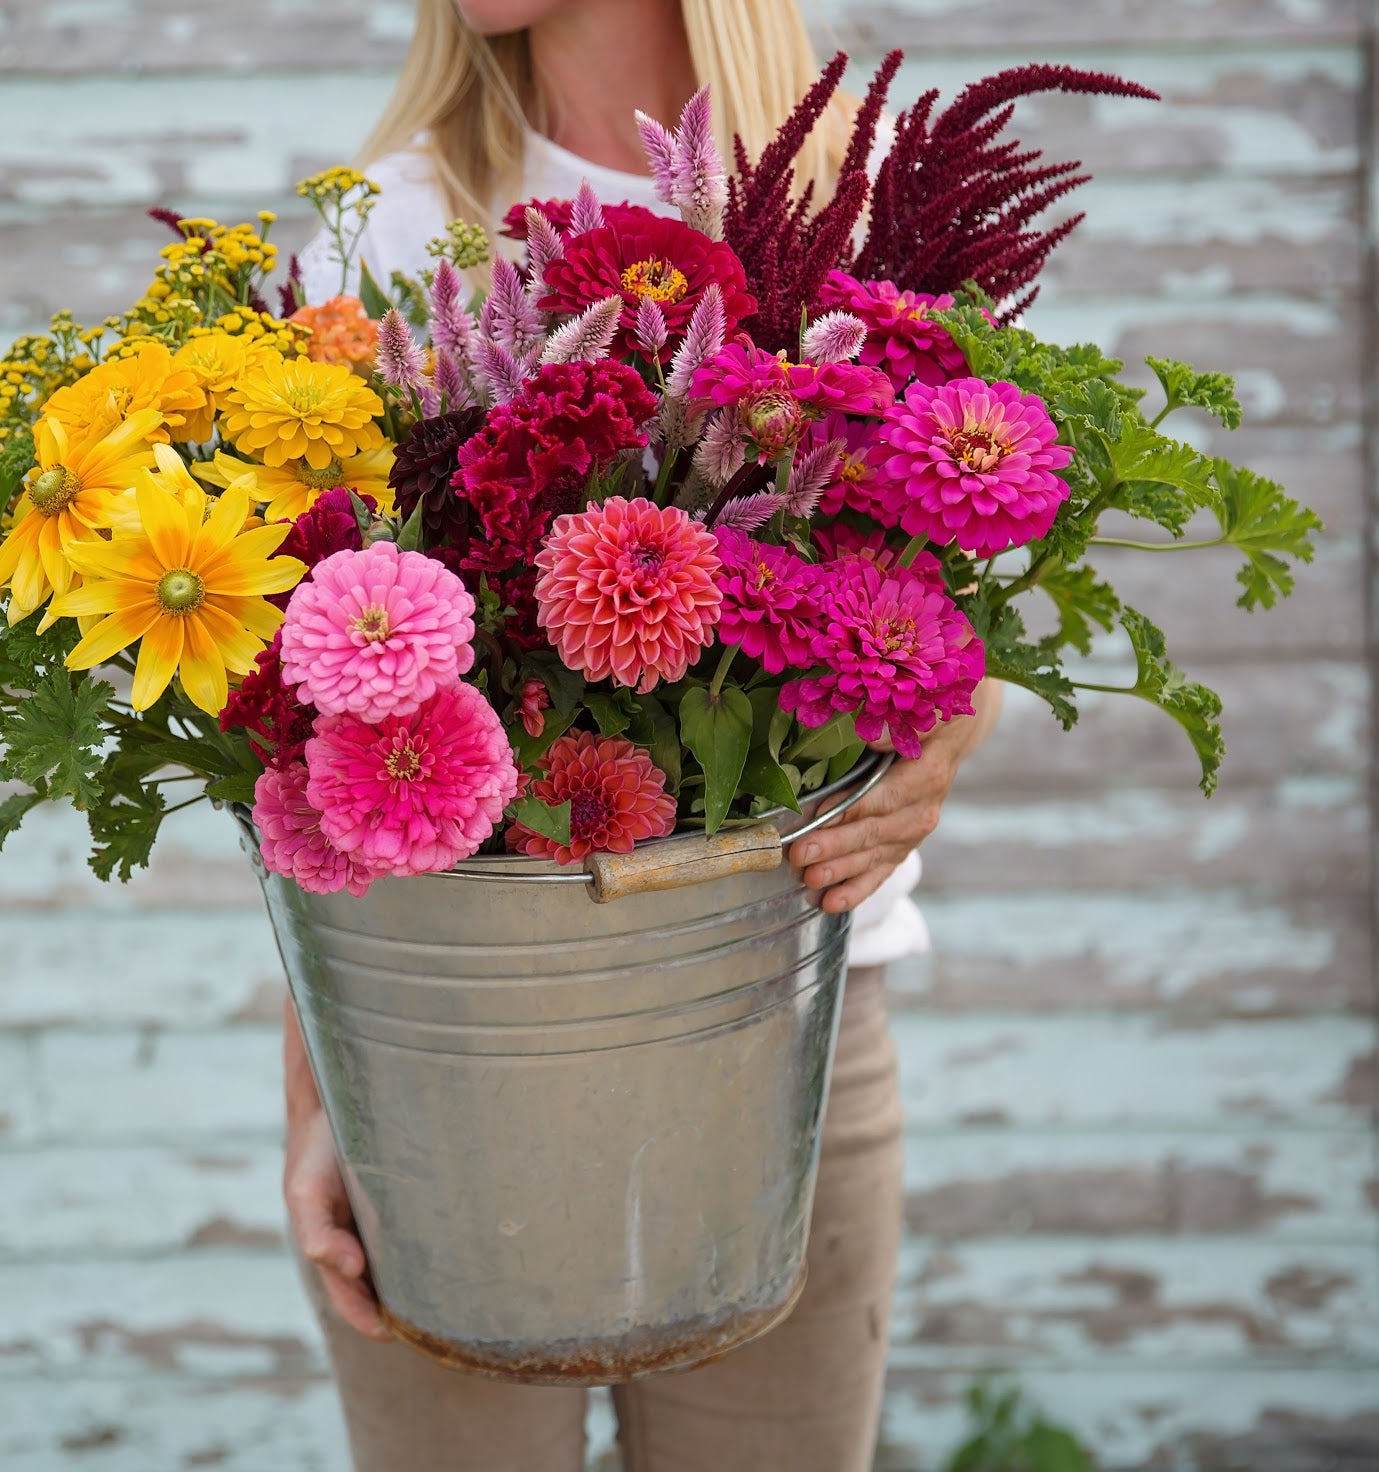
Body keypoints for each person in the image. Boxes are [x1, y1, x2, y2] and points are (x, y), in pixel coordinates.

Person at [287, 2, 1004, 1466]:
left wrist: (938, 742)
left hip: (786, 1032)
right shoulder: (395, 231)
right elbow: (308, 747)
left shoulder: (857, 218)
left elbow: (976, 594)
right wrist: (320, 1099)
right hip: (450, 1070)